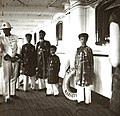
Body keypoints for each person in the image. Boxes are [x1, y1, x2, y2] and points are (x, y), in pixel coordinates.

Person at [0, 22, 21, 102]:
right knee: (6, 78)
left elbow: (19, 47)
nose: (5, 31)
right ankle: (7, 96)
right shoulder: (1, 38)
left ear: (10, 29)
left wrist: (17, 55)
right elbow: (1, 50)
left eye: (7, 29)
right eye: (4, 30)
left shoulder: (15, 37)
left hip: (15, 60)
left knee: (14, 77)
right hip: (6, 61)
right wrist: (6, 56)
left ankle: (13, 93)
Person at [74, 33, 94, 105]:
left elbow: (91, 61)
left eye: (84, 39)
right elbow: (76, 60)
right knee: (79, 85)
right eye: (81, 39)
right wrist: (76, 69)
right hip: (79, 70)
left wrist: (91, 71)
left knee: (87, 85)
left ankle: (87, 101)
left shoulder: (89, 50)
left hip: (87, 70)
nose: (83, 41)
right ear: (79, 40)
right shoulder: (78, 49)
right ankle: (80, 100)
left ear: (87, 40)